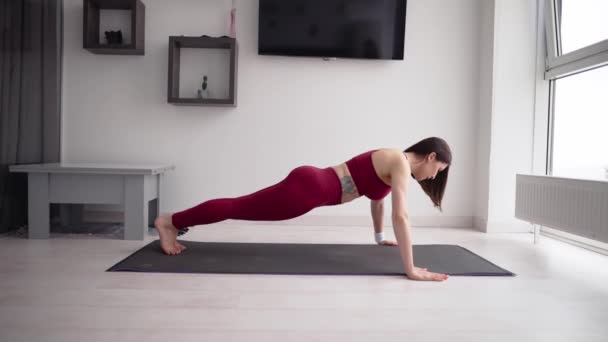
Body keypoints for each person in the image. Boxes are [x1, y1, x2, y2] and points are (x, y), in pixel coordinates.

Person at [154, 137, 452, 282]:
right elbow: (402, 215)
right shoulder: (399, 161)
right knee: (237, 206)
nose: (434, 176)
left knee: (239, 205)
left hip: (311, 185)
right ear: (430, 156)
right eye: (438, 170)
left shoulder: (393, 161)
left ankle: (175, 220)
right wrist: (410, 269)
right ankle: (171, 221)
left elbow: (379, 200)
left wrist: (378, 237)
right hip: (309, 191)